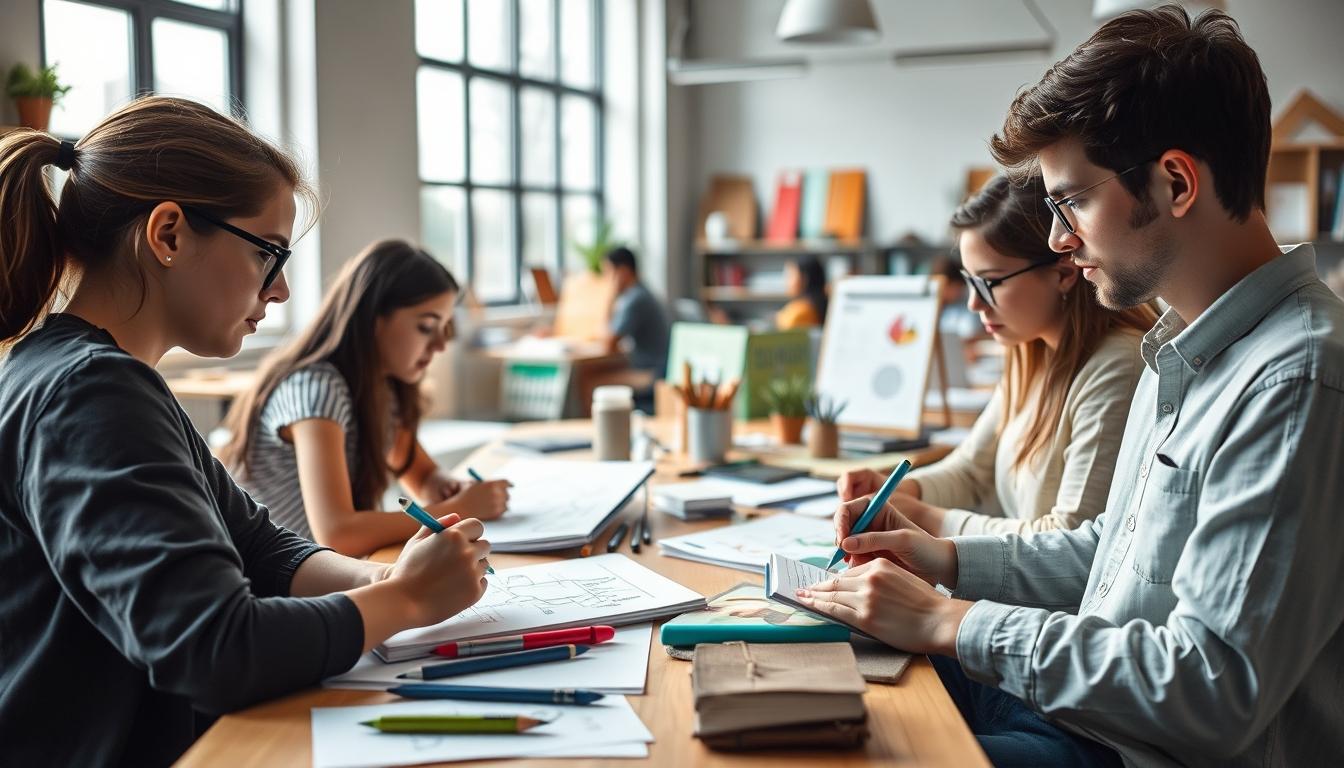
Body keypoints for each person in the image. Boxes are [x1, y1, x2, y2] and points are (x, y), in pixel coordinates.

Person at [803, 7, 1344, 766]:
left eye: (1072, 202)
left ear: (1176, 182)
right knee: (815, 658)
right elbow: (1111, 558)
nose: (1059, 239)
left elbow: (1212, 686)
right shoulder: (1182, 350)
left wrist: (949, 621)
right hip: (1079, 712)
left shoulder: (1295, 380)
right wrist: (943, 563)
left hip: (1131, 749)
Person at [0, 97, 491, 766]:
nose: (282, 290)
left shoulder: (111, 379)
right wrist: (405, 599)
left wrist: (392, 582)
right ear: (168, 234)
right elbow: (215, 648)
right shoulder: (88, 394)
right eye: (269, 254)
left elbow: (260, 548)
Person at [838, 176, 1157, 536]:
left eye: (988, 282)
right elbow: (971, 471)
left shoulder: (1118, 364)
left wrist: (928, 518)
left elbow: (1070, 538)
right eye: (970, 281)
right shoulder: (1030, 353)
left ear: (1064, 273)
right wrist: (888, 491)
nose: (974, 303)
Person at [219, 240, 511, 558]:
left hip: (325, 576)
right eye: (426, 327)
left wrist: (443, 486)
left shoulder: (383, 386)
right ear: (373, 318)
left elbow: (421, 473)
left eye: (444, 327)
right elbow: (338, 533)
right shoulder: (316, 389)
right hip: (276, 589)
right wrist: (456, 509)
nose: (441, 345)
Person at [603, 245, 670, 378]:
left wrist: (610, 296)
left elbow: (608, 342)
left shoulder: (636, 299)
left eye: (608, 273)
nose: (607, 280)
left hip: (653, 372)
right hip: (651, 366)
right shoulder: (639, 293)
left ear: (622, 272)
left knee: (589, 383)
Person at [775, 255, 829, 330]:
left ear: (804, 279)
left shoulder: (800, 312)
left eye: (790, 275)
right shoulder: (821, 304)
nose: (786, 282)